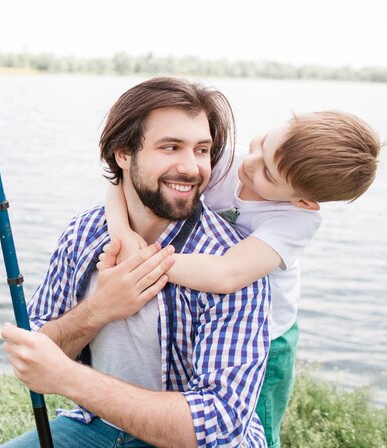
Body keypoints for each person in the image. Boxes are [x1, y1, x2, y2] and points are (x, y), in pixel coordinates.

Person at [0, 76, 271, 448]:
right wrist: (99, 309)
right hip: (96, 426)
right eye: (171, 147)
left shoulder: (236, 263)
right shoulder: (84, 232)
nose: (191, 168)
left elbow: (216, 424)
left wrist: (71, 379)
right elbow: (32, 350)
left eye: (202, 150)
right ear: (123, 154)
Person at [103, 110, 382, 448]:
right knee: (193, 407)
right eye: (263, 142)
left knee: (253, 428)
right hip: (211, 317)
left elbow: (227, 273)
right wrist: (122, 232)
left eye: (267, 171)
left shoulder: (294, 221)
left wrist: (143, 260)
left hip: (266, 336)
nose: (250, 162)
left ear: (303, 201)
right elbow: (124, 178)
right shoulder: (228, 161)